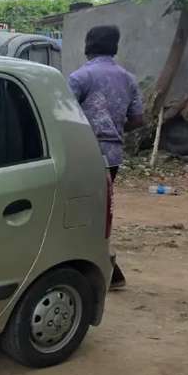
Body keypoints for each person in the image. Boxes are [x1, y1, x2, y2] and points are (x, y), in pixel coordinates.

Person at [67, 25, 145, 290]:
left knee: (80, 213)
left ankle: (106, 270)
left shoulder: (80, 77)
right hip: (112, 157)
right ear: (115, 46)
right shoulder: (128, 79)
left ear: (88, 45)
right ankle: (109, 270)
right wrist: (114, 127)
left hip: (83, 154)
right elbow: (137, 119)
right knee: (99, 212)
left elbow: (63, 115)